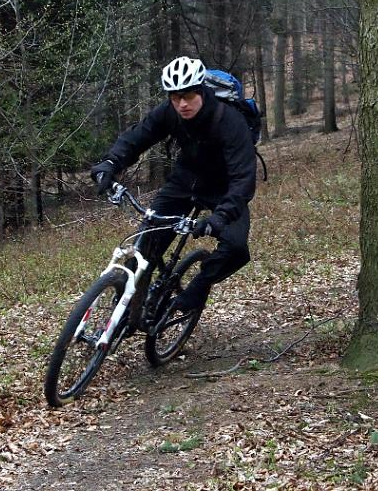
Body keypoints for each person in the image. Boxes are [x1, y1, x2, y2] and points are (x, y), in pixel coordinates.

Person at [90, 56, 257, 313]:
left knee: (235, 248)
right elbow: (137, 137)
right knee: (145, 246)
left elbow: (243, 179)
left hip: (224, 188)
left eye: (188, 96)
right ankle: (128, 309)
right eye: (175, 97)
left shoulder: (230, 121)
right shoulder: (169, 111)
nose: (182, 104)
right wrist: (110, 163)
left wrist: (221, 216)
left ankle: (198, 288)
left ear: (201, 91)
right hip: (184, 181)